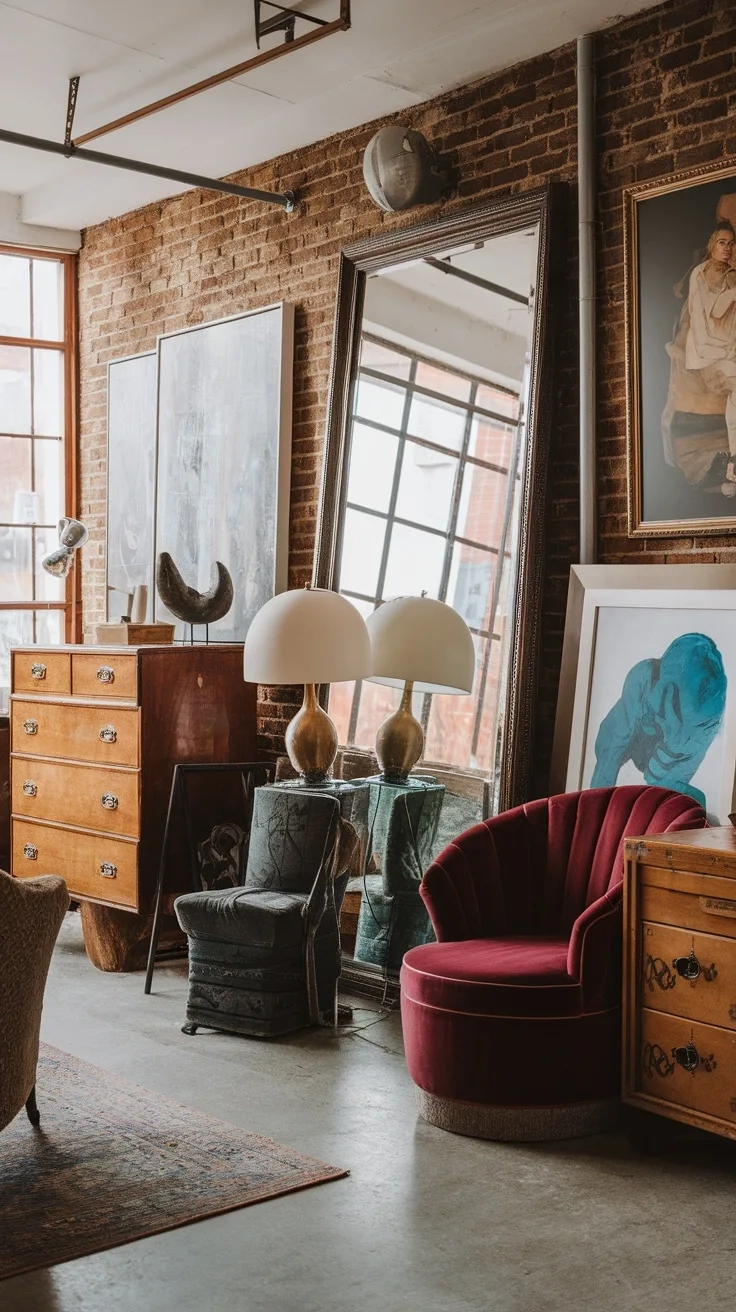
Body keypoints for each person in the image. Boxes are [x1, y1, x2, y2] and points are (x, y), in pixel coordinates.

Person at [590, 632, 726, 810]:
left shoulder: (704, 719)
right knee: (611, 747)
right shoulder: (643, 678)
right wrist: (595, 808)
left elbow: (663, 780)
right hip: (640, 716)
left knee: (669, 791)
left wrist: (671, 752)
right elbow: (610, 747)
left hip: (671, 755)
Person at [684, 223, 736, 493]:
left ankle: (733, 464)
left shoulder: (731, 275)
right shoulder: (700, 274)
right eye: (721, 243)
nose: (727, 248)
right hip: (706, 351)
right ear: (711, 245)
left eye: (731, 243)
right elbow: (708, 316)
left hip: (728, 348)